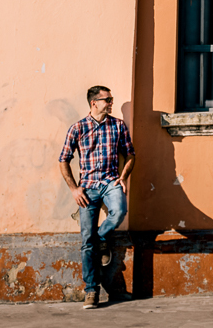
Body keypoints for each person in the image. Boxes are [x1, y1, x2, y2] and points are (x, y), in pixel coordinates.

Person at [58, 85, 135, 309]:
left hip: (111, 182)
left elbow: (130, 154)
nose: (111, 103)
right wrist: (74, 189)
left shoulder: (118, 125)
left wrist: (123, 177)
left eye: (111, 99)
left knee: (119, 211)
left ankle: (102, 238)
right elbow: (63, 159)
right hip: (88, 187)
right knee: (86, 242)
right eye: (107, 100)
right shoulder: (78, 128)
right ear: (94, 103)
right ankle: (91, 290)